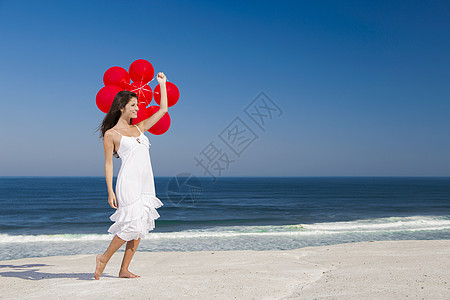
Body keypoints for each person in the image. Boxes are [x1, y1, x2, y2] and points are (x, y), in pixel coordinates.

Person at [94, 72, 168, 280]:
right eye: (133, 105)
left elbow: (163, 110)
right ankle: (104, 258)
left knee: (141, 226)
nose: (137, 108)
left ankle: (124, 269)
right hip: (128, 183)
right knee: (132, 224)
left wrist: (162, 84)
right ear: (122, 107)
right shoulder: (111, 135)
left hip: (146, 183)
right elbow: (108, 164)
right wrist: (110, 190)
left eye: (137, 105)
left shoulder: (140, 128)